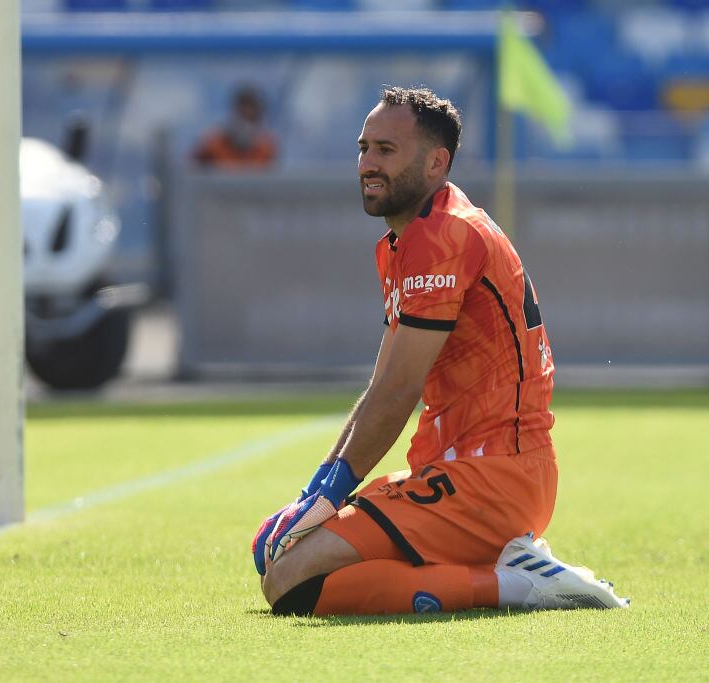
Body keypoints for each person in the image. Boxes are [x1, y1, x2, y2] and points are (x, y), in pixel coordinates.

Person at [253, 86, 628, 616]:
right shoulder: (406, 242)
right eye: (363, 148)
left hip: (492, 477)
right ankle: (506, 565)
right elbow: (382, 385)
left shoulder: (444, 235)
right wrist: (314, 492)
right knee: (279, 560)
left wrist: (328, 497)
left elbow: (400, 392)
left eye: (386, 150)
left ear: (436, 162)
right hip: (459, 473)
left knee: (290, 584)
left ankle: (516, 584)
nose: (367, 163)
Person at [193, 86, 276, 168]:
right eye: (242, 117)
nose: (245, 126)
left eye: (250, 120)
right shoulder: (212, 145)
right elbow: (190, 171)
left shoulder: (266, 149)